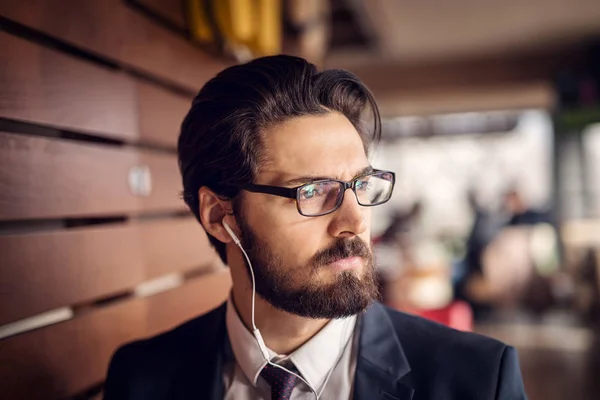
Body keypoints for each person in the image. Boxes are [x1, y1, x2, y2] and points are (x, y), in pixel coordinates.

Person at [103, 55, 527, 400]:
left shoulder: (477, 379)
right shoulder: (142, 378)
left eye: (362, 185)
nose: (356, 221)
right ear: (219, 215)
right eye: (313, 192)